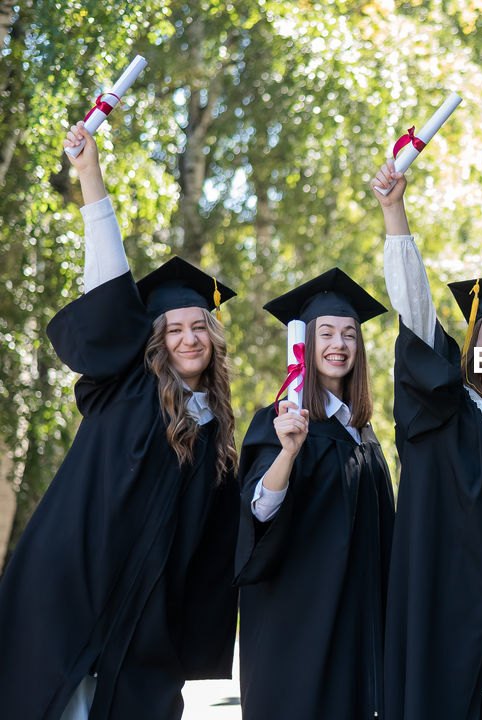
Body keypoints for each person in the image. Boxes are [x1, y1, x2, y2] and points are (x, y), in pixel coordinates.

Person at [0, 122, 239, 719]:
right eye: (174, 328)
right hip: (69, 585)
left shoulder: (215, 429)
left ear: (213, 337)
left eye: (198, 327)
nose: (188, 338)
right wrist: (90, 175)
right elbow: (108, 278)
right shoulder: (125, 386)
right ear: (153, 340)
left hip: (144, 613)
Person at [373, 161, 482, 720]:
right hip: (435, 615)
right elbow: (417, 311)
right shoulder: (441, 408)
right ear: (474, 336)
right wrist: (394, 213)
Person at [234, 269, 395, 720]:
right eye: (326, 333)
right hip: (296, 621)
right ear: (305, 344)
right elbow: (259, 511)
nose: (339, 344)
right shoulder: (282, 420)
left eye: (349, 335)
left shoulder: (364, 435)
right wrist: (287, 454)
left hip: (353, 622)